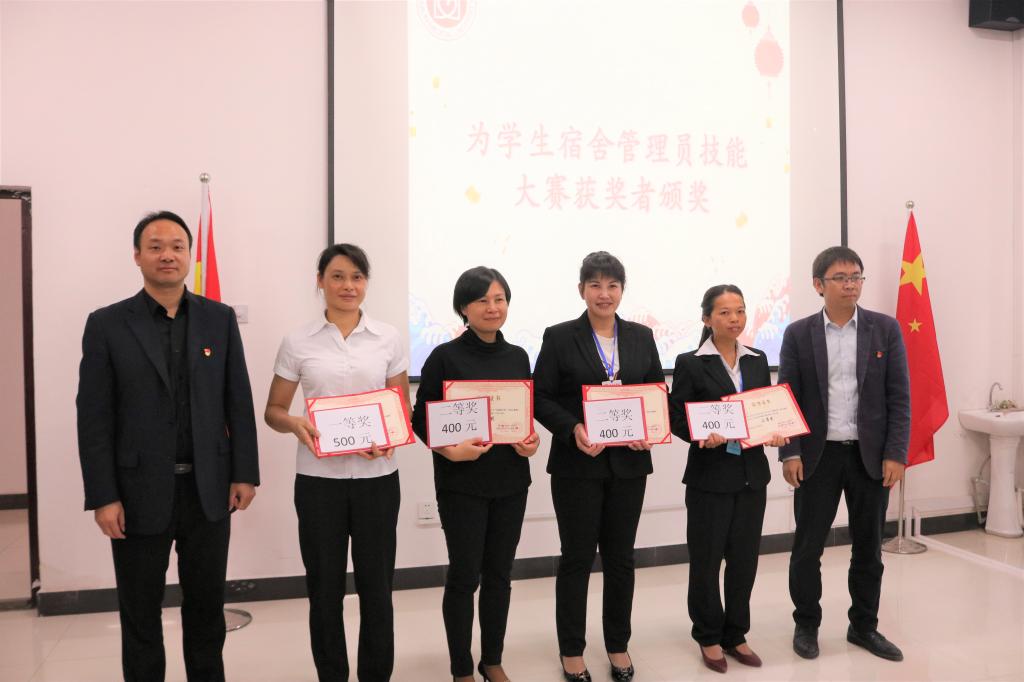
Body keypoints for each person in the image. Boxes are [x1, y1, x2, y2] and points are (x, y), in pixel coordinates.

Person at [76, 211, 259, 682]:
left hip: (208, 490)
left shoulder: (219, 320)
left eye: (177, 246)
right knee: (140, 613)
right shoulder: (107, 324)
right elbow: (94, 418)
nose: (167, 255)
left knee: (207, 610)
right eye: (155, 246)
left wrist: (244, 472)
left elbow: (237, 400)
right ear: (137, 256)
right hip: (136, 493)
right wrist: (103, 496)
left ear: (189, 255)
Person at [264, 244, 410, 682]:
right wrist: (295, 424)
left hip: (376, 480)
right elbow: (273, 410)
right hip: (318, 482)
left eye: (357, 277)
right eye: (338, 276)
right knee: (324, 590)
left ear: (366, 283)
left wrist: (388, 438)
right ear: (320, 281)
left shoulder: (388, 338)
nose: (349, 286)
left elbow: (400, 408)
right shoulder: (298, 341)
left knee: (377, 589)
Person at [532, 251, 663, 682]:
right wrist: (572, 428)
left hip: (629, 465)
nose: (604, 294)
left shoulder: (642, 336)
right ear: (581, 290)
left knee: (621, 559)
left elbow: (655, 392)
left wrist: (650, 428)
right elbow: (541, 397)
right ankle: (572, 650)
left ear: (622, 290)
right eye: (595, 285)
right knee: (576, 558)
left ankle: (617, 645)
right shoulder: (559, 337)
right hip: (577, 465)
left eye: (612, 285)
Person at [779, 246, 910, 662]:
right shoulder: (798, 334)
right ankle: (806, 624)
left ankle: (864, 626)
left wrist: (896, 452)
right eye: (841, 277)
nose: (850, 284)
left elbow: (899, 396)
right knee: (807, 548)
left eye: (856, 276)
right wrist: (790, 452)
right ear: (819, 285)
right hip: (817, 457)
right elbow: (787, 396)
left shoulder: (884, 329)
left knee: (869, 549)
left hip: (869, 458)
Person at [411, 266, 540, 682]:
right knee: (464, 576)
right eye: (482, 300)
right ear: (463, 307)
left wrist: (531, 441)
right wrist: (450, 450)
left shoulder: (518, 356)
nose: (492, 307)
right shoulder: (444, 357)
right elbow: (420, 418)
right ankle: (461, 667)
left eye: (499, 299)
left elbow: (523, 416)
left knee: (500, 576)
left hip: (511, 482)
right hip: (462, 484)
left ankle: (492, 659)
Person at [668, 284, 787, 673]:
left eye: (740, 311)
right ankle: (708, 635)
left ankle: (736, 633)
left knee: (744, 560)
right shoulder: (690, 362)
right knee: (706, 561)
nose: (734, 319)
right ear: (707, 319)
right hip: (710, 477)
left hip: (752, 476)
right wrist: (702, 433)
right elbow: (677, 416)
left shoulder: (757, 359)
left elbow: (764, 410)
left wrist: (775, 431)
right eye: (724, 312)